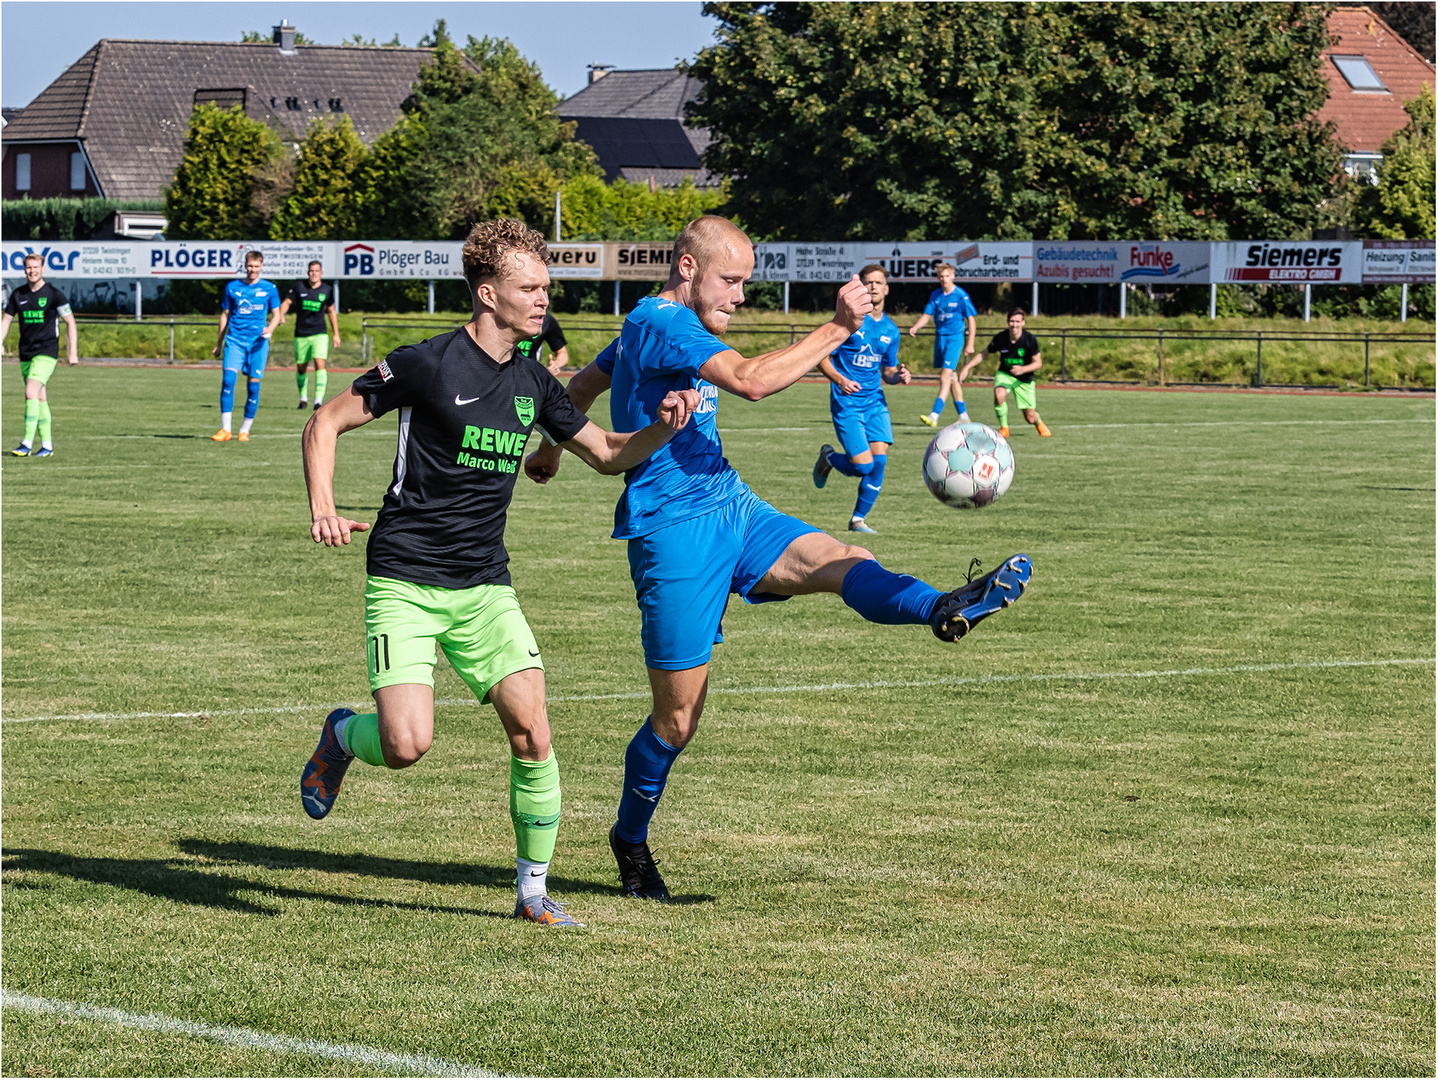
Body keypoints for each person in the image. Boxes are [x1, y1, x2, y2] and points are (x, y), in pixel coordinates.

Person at [524, 216, 1032, 901]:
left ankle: (940, 605)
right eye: (730, 281)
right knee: (676, 722)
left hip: (732, 504)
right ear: (685, 269)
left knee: (841, 557)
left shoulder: (646, 324)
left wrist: (551, 448)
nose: (740, 295)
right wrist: (836, 327)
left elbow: (580, 385)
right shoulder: (666, 323)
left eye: (745, 282)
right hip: (673, 534)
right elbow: (752, 381)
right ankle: (630, 838)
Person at [299, 218, 699, 928]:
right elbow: (324, 422)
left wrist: (662, 429)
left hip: (485, 585)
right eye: (531, 288)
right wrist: (324, 506)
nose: (544, 299)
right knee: (405, 745)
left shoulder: (534, 380)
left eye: (546, 286)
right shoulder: (425, 362)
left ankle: (533, 892)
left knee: (533, 733)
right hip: (406, 579)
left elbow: (606, 452)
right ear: (489, 293)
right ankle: (340, 736)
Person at [811, 263, 911, 534]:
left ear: (886, 288)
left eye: (879, 282)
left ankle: (857, 520)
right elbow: (821, 355)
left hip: (875, 403)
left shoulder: (891, 330)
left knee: (879, 463)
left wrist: (898, 375)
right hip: (848, 403)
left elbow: (887, 370)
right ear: (861, 287)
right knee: (863, 465)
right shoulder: (848, 321)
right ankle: (829, 458)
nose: (874, 287)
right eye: (869, 282)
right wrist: (840, 379)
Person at [2, 253, 78, 457]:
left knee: (30, 391)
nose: (32, 271)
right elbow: (6, 320)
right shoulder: (18, 294)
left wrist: (72, 352)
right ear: (24, 269)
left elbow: (70, 321)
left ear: (43, 269)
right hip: (26, 352)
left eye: (36, 267)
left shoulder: (54, 294)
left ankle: (26, 443)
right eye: (28, 267)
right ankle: (47, 446)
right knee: (40, 397)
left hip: (47, 351)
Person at [211, 250, 283, 442]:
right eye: (250, 266)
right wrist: (218, 343)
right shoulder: (232, 287)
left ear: (262, 266)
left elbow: (277, 315)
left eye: (256, 266)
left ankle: (245, 430)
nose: (252, 270)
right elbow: (225, 315)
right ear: (245, 266)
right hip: (234, 341)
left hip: (258, 343)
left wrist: (270, 329)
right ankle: (226, 429)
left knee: (253, 388)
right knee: (228, 380)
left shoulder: (269, 288)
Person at [959, 307, 1052, 438]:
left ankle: (1039, 423)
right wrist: (967, 367)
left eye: (1018, 321)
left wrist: (1023, 369)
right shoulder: (1000, 338)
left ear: (1023, 323)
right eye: (1012, 321)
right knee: (999, 394)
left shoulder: (1029, 340)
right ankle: (1004, 428)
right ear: (1008, 322)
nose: (1015, 325)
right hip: (1005, 374)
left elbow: (1038, 363)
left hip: (1024, 379)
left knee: (1030, 417)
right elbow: (984, 353)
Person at [908, 263, 977, 428]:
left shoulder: (961, 295)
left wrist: (970, 343)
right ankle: (963, 415)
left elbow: (971, 319)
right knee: (952, 378)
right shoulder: (936, 295)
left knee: (944, 376)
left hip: (955, 338)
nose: (944, 279)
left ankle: (934, 414)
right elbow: (927, 314)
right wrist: (916, 326)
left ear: (952, 276)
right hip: (940, 338)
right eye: (941, 276)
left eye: (947, 276)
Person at [278, 260, 340, 410]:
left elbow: (331, 312)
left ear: (321, 273)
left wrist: (336, 334)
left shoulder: (327, 289)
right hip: (301, 333)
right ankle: (303, 398)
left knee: (320, 364)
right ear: (308, 273)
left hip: (320, 333)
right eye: (311, 271)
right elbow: (287, 302)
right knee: (301, 367)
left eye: (316, 271)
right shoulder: (299, 286)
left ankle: (318, 400)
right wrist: (280, 314)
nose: (314, 273)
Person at [512, 311, 570, 376]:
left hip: (529, 374)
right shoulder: (506, 315)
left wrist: (555, 365)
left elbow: (562, 353)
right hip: (503, 371)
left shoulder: (547, 321)